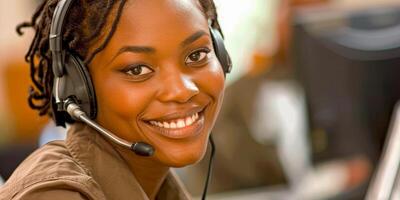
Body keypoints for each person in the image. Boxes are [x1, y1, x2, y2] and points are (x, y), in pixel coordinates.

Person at [0, 0, 230, 199]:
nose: (182, 90)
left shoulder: (157, 186)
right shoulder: (55, 196)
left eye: (196, 55)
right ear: (80, 86)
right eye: (137, 69)